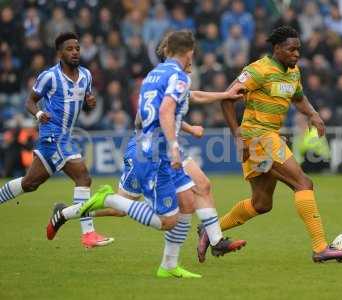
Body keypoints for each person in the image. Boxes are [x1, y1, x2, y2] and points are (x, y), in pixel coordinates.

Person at [46, 30, 245, 278]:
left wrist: (217, 101)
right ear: (188, 53)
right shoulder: (178, 77)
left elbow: (161, 108)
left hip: (158, 146)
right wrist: (173, 144)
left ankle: (190, 254)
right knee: (149, 214)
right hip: (152, 151)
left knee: (192, 195)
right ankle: (83, 207)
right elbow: (163, 112)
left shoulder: (153, 75)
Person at [198, 26, 342, 262]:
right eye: (291, 49)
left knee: (261, 204)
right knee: (303, 183)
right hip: (259, 137)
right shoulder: (258, 70)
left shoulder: (293, 73)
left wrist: (313, 114)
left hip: (268, 137)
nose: (296, 54)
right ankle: (321, 248)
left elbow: (299, 98)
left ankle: (210, 232)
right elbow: (228, 97)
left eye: (298, 50)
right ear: (277, 48)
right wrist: (237, 135)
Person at [0, 32, 113, 248]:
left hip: (64, 136)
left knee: (30, 183)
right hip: (53, 135)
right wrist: (39, 114)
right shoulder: (49, 76)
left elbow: (87, 103)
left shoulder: (86, 76)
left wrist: (90, 103)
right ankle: (88, 234)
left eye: (77, 49)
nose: (75, 52)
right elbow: (30, 102)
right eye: (69, 49)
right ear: (60, 53)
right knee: (84, 177)